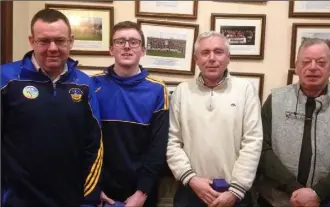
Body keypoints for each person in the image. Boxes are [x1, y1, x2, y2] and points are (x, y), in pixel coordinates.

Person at [1, 8, 102, 207]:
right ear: (32, 41)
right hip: (17, 200)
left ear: (71, 41)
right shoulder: (6, 79)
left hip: (70, 200)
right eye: (44, 41)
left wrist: (89, 199)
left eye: (60, 40)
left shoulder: (84, 84)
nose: (53, 48)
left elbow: (94, 145)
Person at [166, 31, 263, 207]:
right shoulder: (182, 91)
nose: (212, 58)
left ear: (228, 58)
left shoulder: (245, 90)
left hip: (234, 194)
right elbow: (172, 141)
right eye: (205, 52)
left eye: (218, 52)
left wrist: (235, 190)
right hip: (191, 191)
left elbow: (253, 142)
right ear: (196, 59)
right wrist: (192, 179)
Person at [256, 38, 330, 207]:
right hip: (276, 201)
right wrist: (293, 188)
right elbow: (262, 148)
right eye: (306, 62)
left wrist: (318, 193)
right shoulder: (276, 100)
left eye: (321, 62)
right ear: (297, 66)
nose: (312, 67)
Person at [91, 21, 169, 207]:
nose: (127, 46)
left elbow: (157, 148)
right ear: (111, 49)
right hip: (99, 190)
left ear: (143, 50)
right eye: (120, 41)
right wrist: (94, 188)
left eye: (134, 42)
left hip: (141, 193)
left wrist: (141, 193)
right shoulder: (91, 85)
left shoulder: (158, 89)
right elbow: (84, 141)